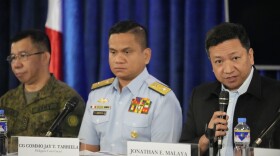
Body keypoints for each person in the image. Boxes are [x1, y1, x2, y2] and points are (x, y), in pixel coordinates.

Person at [78, 20, 182, 154]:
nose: (118, 59)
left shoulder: (162, 99)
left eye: (126, 52)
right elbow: (87, 150)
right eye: (113, 52)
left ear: (146, 56)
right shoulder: (97, 95)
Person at [180, 22, 280, 156]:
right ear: (211, 64)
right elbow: (183, 149)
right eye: (219, 62)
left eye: (235, 58)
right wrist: (205, 140)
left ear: (250, 56)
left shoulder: (276, 94)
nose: (228, 70)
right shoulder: (200, 96)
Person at [0, 29, 85, 138]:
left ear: (44, 57)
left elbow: (71, 148)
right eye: (13, 58)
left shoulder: (68, 101)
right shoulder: (6, 101)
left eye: (23, 55)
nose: (16, 64)